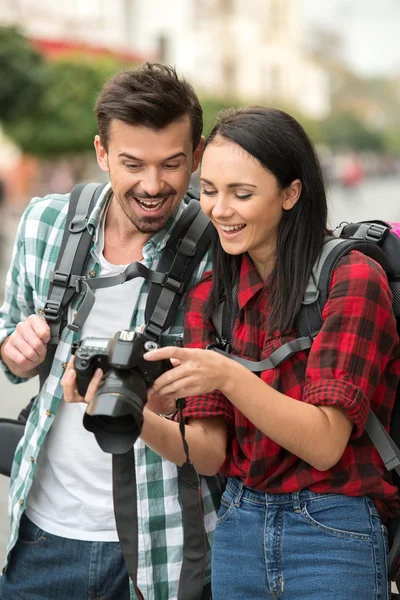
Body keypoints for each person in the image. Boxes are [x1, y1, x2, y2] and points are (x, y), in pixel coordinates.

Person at [136, 107, 400, 599]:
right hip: (239, 527)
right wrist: (136, 415)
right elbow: (210, 454)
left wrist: (227, 375)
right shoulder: (211, 297)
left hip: (335, 528)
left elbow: (324, 443)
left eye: (242, 194)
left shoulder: (351, 277)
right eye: (209, 190)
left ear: (290, 193)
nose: (219, 210)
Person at [0, 63, 220, 600]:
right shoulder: (44, 221)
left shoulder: (221, 250)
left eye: (172, 164)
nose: (152, 185)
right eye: (131, 163)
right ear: (102, 153)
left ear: (196, 157)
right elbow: (9, 341)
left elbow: (224, 416)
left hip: (166, 543)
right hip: (42, 535)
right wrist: (15, 349)